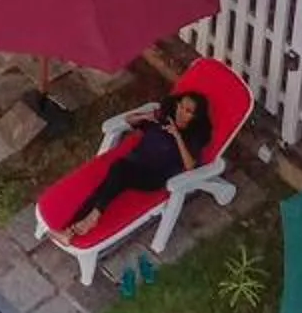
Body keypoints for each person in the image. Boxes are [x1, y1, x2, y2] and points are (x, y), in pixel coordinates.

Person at [60, 88, 214, 234]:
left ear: (195, 117)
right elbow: (129, 120)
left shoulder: (192, 136)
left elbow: (190, 166)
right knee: (107, 185)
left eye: (188, 111)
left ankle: (90, 218)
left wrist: (177, 136)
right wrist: (145, 116)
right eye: (180, 106)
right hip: (136, 164)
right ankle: (72, 228)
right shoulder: (164, 120)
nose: (181, 112)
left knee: (119, 169)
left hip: (154, 176)